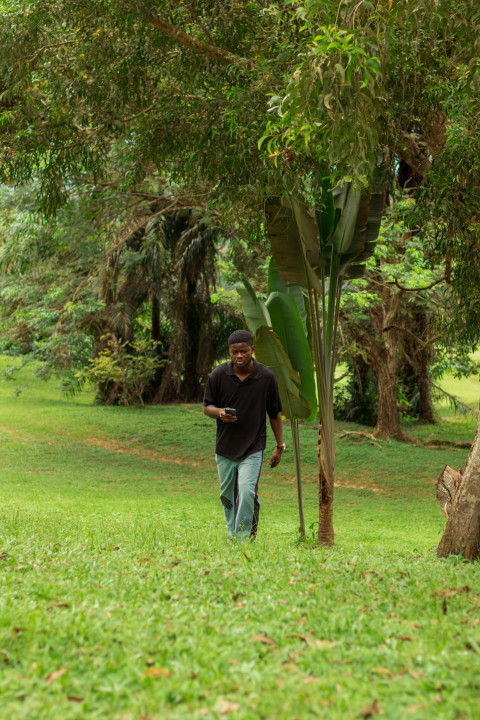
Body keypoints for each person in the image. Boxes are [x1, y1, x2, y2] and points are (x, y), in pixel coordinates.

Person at [202, 329, 285, 540]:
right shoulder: (218, 375)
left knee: (247, 493)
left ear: (252, 350)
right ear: (230, 352)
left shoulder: (266, 377)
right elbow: (207, 407)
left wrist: (279, 446)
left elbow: (274, 413)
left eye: (244, 351)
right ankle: (233, 532)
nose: (239, 356)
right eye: (234, 352)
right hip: (225, 448)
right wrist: (220, 413)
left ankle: (243, 537)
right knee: (227, 496)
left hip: (253, 448)